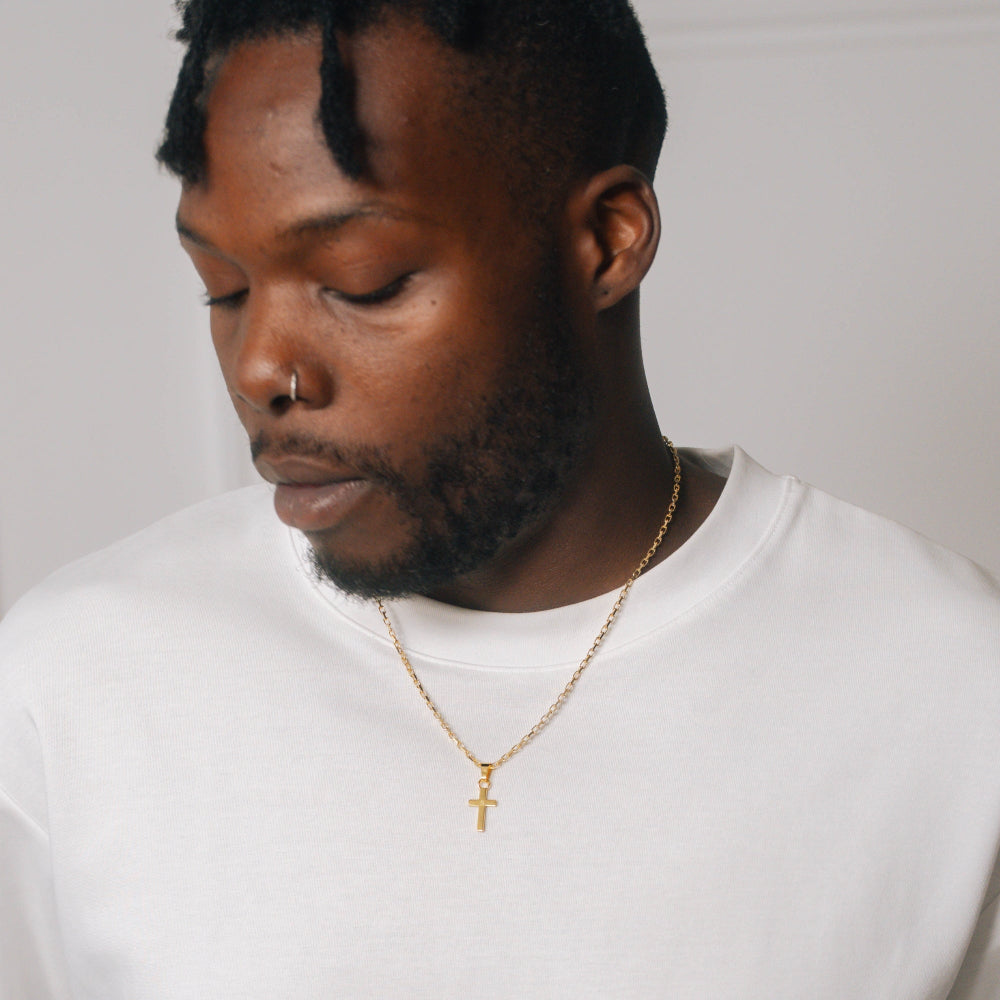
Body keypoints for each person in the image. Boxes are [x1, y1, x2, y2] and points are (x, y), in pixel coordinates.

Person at [1, 1, 998, 996]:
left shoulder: (947, 684)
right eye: (223, 287)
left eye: (361, 281)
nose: (261, 365)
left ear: (607, 242)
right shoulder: (77, 681)